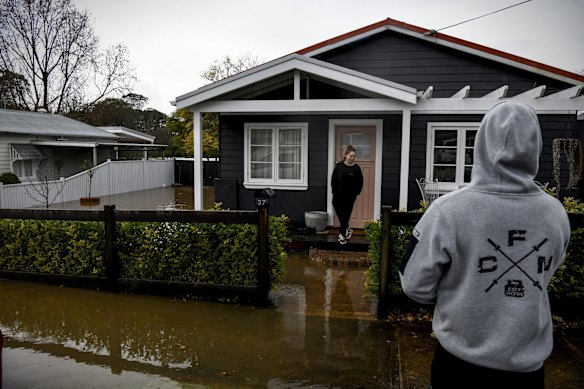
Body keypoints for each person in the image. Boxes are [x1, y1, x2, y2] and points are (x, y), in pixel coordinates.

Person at [399, 101, 571, 388]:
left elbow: (414, 284)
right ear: (535, 146)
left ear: (480, 144)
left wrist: (463, 295)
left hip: (458, 367)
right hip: (526, 372)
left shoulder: (448, 211)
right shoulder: (555, 214)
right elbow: (547, 270)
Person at [331, 144, 363, 245]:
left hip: (350, 196)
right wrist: (334, 191)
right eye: (351, 156)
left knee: (345, 215)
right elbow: (333, 179)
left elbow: (360, 182)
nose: (352, 158)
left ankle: (342, 235)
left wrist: (356, 192)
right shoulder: (339, 167)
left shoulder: (356, 169)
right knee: (339, 211)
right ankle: (347, 229)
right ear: (345, 155)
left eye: (354, 156)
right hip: (338, 195)